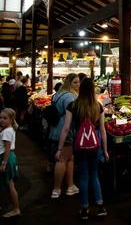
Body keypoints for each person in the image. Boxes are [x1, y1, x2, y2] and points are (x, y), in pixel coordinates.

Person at [57, 78, 109, 220]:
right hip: (95, 144)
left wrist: (59, 149)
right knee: (94, 175)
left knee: (83, 175)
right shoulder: (97, 106)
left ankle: (84, 208)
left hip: (79, 144)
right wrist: (105, 150)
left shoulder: (73, 105)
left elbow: (66, 128)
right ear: (93, 89)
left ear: (80, 88)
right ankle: (100, 206)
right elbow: (103, 130)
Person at [49, 73, 80, 198]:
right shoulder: (70, 97)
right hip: (65, 131)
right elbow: (74, 116)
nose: (77, 85)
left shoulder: (57, 94)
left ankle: (70, 185)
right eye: (75, 82)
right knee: (62, 159)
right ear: (69, 83)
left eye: (78, 82)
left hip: (55, 129)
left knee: (69, 158)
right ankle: (56, 189)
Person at [0, 108, 22, 219]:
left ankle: (16, 209)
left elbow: (7, 148)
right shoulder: (7, 130)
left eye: (5, 118)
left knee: (9, 184)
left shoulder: (7, 132)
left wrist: (4, 163)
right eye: (0, 118)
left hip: (5, 158)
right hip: (5, 158)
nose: (1, 120)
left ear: (11, 119)